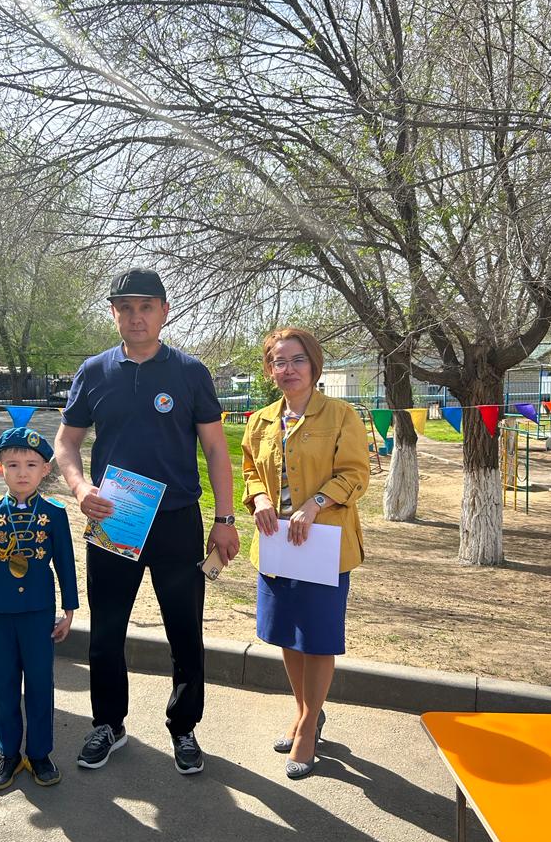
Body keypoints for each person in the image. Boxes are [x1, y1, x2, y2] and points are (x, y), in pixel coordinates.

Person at [55, 266, 239, 775]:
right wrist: (80, 488)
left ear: (164, 311)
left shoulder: (190, 372)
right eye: (126, 308)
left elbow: (216, 450)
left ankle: (184, 727)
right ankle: (108, 725)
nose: (136, 317)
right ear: (114, 313)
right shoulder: (94, 371)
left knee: (185, 630)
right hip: (116, 517)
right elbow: (66, 443)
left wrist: (224, 518)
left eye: (146, 307)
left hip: (177, 519)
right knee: (106, 630)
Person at [241, 327, 369, 779]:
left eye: (297, 360)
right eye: (279, 361)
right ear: (269, 370)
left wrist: (315, 504)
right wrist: (259, 498)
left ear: (314, 365)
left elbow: (355, 474)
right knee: (287, 636)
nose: (288, 369)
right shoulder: (260, 421)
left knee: (316, 638)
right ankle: (303, 711)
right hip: (276, 546)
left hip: (323, 548)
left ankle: (308, 727)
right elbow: (250, 470)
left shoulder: (340, 415)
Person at [0, 427, 78, 791]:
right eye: (12, 465)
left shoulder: (54, 514)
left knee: (41, 683)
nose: (22, 472)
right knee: (3, 685)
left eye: (31, 464)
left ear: (45, 470)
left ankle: (40, 753)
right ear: (0, 470)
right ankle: (9, 753)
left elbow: (65, 563)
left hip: (38, 614)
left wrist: (70, 610)